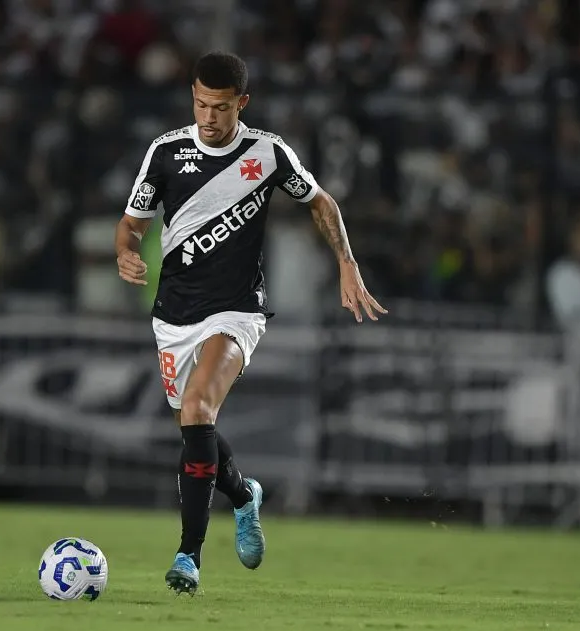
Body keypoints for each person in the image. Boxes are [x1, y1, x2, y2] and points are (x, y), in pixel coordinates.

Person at [114, 52, 386, 595]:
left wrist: (347, 264)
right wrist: (125, 253)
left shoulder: (267, 153)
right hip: (173, 315)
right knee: (197, 432)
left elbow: (322, 203)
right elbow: (130, 226)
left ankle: (187, 558)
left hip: (237, 310)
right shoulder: (165, 152)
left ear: (242, 103)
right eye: (199, 104)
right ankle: (242, 495)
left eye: (219, 107)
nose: (208, 117)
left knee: (197, 409)